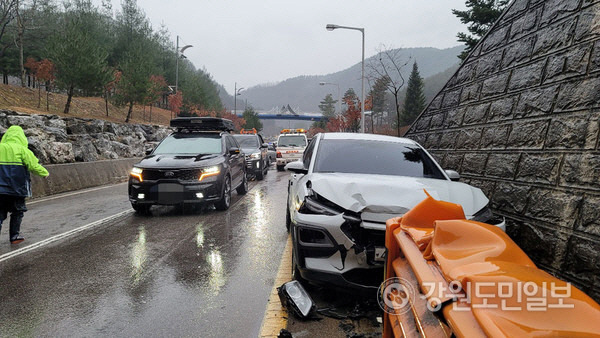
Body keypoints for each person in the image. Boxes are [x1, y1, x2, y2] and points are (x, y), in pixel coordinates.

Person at [0, 125, 49, 244]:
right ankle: (14, 236)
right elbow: (33, 166)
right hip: (17, 189)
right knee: (17, 211)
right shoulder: (23, 150)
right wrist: (45, 173)